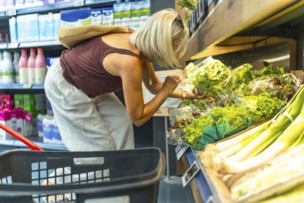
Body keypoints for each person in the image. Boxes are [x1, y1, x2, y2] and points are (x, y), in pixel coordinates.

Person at [44, 8, 202, 155]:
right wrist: (166, 91)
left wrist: (185, 94)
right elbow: (138, 118)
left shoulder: (140, 45)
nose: (175, 52)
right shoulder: (129, 61)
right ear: (162, 43)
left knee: (121, 122)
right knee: (98, 151)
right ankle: (52, 183)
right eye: (175, 47)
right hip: (65, 84)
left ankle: (120, 174)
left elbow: (154, 86)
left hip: (87, 81)